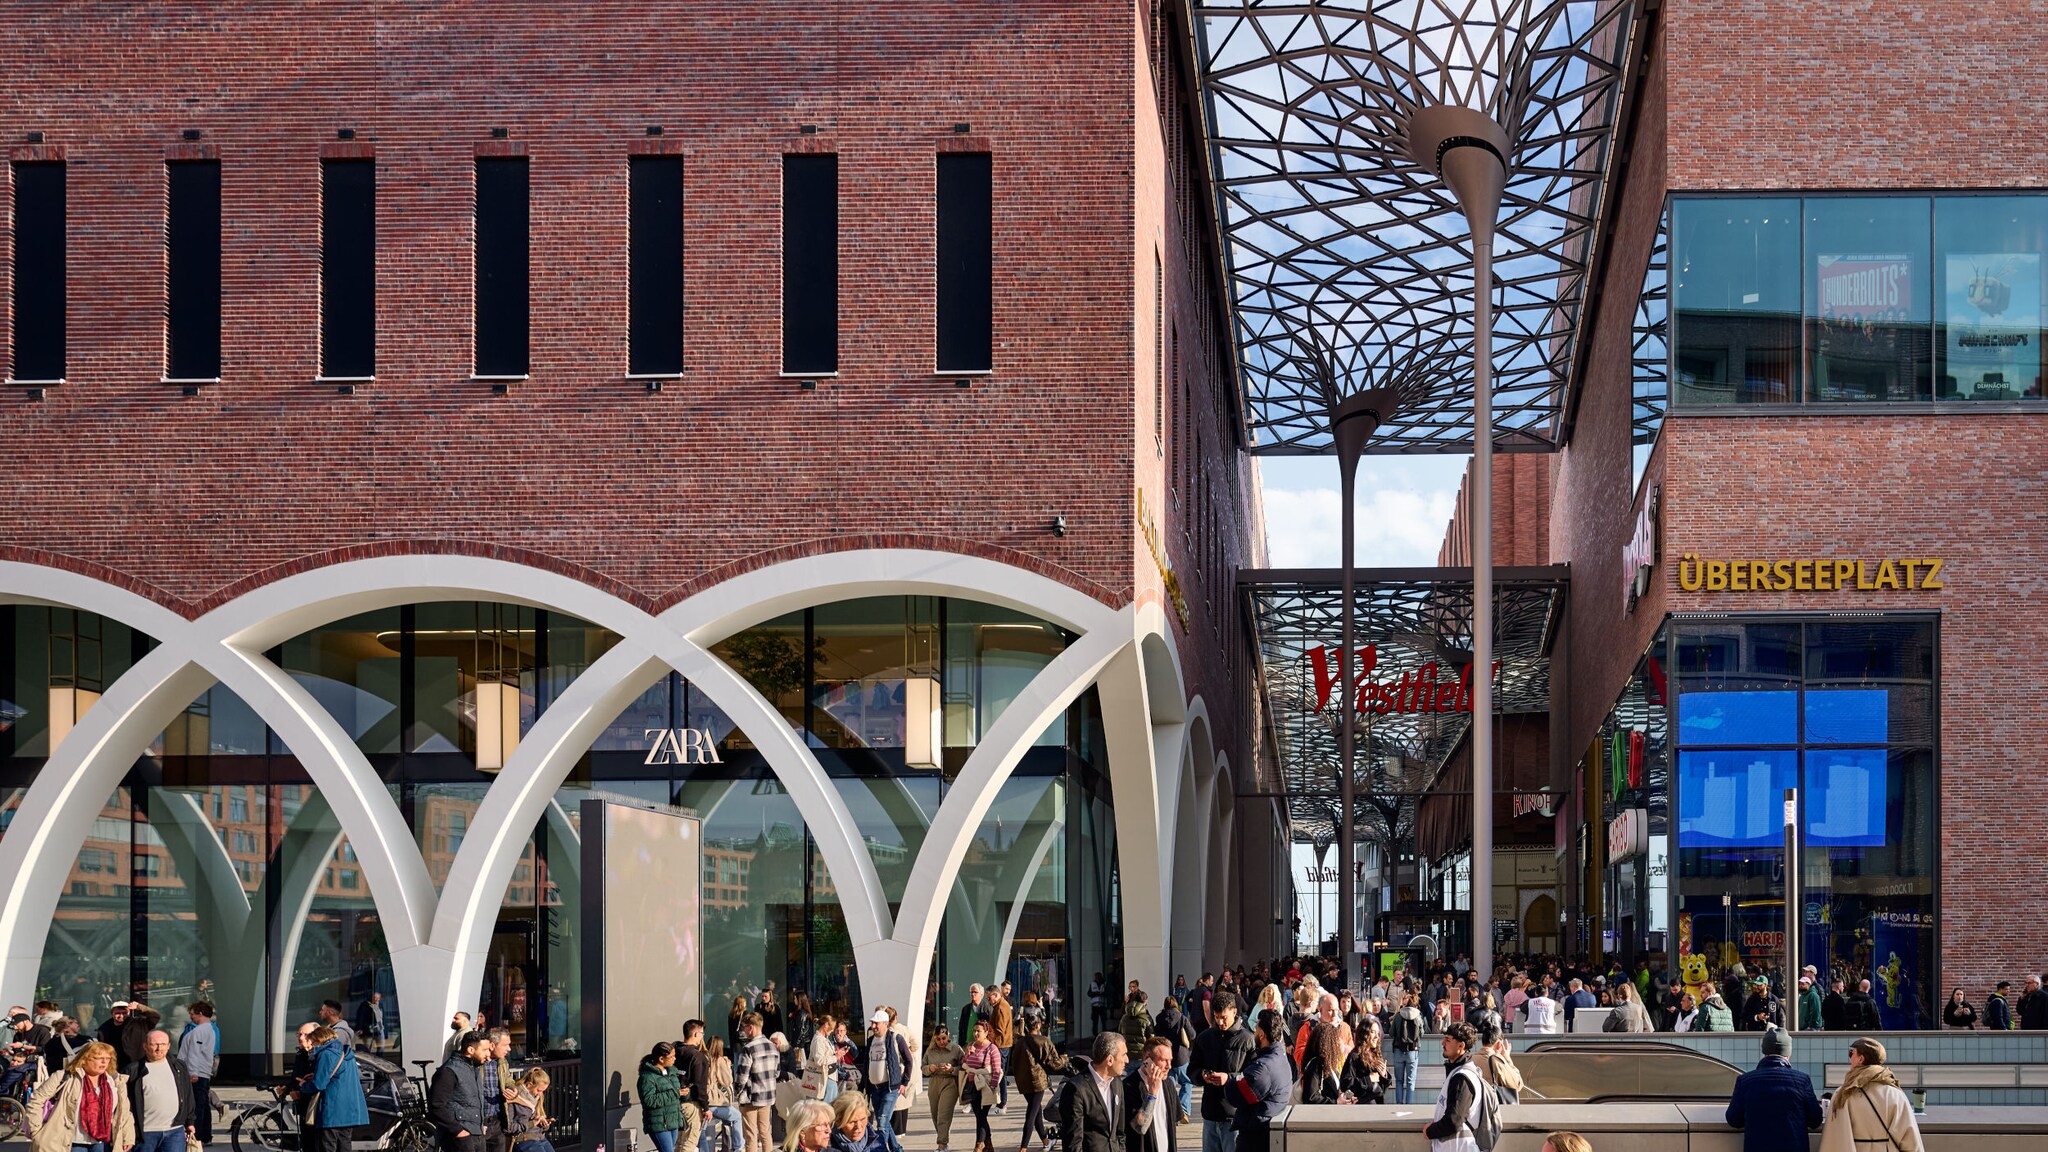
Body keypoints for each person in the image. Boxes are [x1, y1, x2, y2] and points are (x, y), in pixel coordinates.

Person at [27, 1041, 136, 1152]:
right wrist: (36, 1130)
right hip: (70, 1142)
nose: (104, 1062)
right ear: (84, 1059)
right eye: (98, 1058)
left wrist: (128, 1137)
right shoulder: (65, 1076)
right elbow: (35, 1100)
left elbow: (124, 1111)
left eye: (108, 1058)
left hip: (103, 1143)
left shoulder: (115, 1081)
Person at [1725, 1028, 1821, 1152]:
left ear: (1764, 1051)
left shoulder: (1745, 1081)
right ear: (1788, 1053)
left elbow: (1733, 1119)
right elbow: (1815, 1120)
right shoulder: (1802, 1081)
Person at [1819, 1038, 1922, 1152]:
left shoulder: (1845, 1094)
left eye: (1851, 1053)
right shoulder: (1895, 1094)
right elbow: (1910, 1138)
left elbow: (1836, 1139)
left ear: (1861, 1059)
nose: (1850, 1058)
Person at [1188, 992, 1253, 1152]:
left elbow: (1254, 1078)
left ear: (1234, 1012)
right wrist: (1202, 1075)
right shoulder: (1204, 1037)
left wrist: (1229, 1078)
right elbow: (1192, 1069)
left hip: (1235, 1117)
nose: (1220, 1022)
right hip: (1210, 1114)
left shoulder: (1247, 1040)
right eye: (1216, 1017)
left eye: (1224, 1017)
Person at [120, 1030, 195, 1152]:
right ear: (145, 1046)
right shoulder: (132, 1070)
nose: (159, 1048)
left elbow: (188, 1095)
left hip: (174, 1131)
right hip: (145, 1133)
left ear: (169, 1046)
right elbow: (124, 1104)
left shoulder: (178, 1066)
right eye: (154, 1044)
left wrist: (190, 1121)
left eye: (163, 1044)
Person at [1226, 1012, 1289, 1152]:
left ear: (1262, 1034)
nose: (1253, 1031)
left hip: (1256, 1136)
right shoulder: (1280, 1057)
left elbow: (1234, 1096)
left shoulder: (1263, 1068)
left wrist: (1234, 1079)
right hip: (1265, 1127)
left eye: (1256, 1028)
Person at [303, 1024, 370, 1152]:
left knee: (327, 1146)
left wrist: (304, 1086)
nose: (313, 1046)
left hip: (332, 1111)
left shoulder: (326, 1054)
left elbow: (319, 1084)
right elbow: (339, 1075)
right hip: (349, 1110)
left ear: (320, 1040)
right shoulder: (346, 1053)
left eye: (314, 1042)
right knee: (344, 1145)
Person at [1422, 1022, 1484, 1152]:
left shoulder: (1462, 1078)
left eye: (1448, 1040)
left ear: (1461, 1046)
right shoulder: (1460, 1072)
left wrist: (1430, 1131)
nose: (1442, 1043)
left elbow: (1454, 1120)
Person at [1059, 1032, 1127, 1152]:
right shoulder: (1076, 1089)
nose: (1127, 1060)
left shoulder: (1117, 1083)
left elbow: (1120, 1133)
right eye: (1124, 1055)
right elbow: (1073, 1143)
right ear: (1110, 1060)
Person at [860, 1011, 910, 1152]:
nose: (873, 1026)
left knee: (881, 1123)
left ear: (885, 1024)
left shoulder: (895, 1038)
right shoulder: (870, 1041)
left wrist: (904, 1082)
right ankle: (896, 1149)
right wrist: (863, 1086)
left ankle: (880, 1150)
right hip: (874, 1088)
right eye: (872, 1023)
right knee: (884, 1121)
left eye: (876, 1023)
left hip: (889, 1088)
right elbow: (866, 1064)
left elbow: (909, 1060)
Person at [1123, 1037, 1184, 1152]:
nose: (1169, 1066)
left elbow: (1174, 1119)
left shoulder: (1168, 1084)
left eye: (1170, 1060)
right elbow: (1138, 1127)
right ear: (1147, 1059)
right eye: (1164, 1060)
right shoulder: (1129, 1086)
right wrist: (1152, 1093)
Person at [1011, 1015, 1061, 1152]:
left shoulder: (1020, 1042)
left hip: (1024, 1081)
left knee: (1036, 1111)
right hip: (1037, 1080)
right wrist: (1065, 1059)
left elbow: (1013, 1062)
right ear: (1038, 1025)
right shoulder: (1044, 1041)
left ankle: (1045, 1141)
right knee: (1032, 1114)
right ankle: (1023, 1147)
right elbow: (1055, 1063)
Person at [176, 1003, 218, 1148]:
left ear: (200, 1013)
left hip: (197, 1073)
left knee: (197, 1106)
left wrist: (192, 1073)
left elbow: (194, 1053)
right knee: (203, 1104)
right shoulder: (210, 1030)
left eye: (192, 1013)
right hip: (202, 1072)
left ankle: (198, 1135)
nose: (190, 1016)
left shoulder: (199, 1031)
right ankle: (205, 1135)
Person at [736, 1015, 780, 1152]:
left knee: (751, 1135)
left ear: (751, 1027)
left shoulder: (748, 1048)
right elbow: (777, 1073)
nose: (743, 1030)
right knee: (765, 1133)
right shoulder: (773, 1046)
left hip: (751, 1096)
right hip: (767, 1096)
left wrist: (737, 1092)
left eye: (744, 1027)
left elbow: (741, 1077)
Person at [957, 1020, 1001, 1152]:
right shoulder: (971, 1045)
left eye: (979, 1031)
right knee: (979, 1116)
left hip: (986, 1087)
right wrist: (967, 1054)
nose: (976, 1033)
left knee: (982, 1116)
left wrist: (993, 1085)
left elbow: (997, 1069)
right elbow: (963, 1064)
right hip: (972, 1086)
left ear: (986, 1033)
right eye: (974, 1031)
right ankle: (988, 1143)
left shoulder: (992, 1048)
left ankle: (979, 1144)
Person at [637, 1043, 687, 1152]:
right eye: (671, 1056)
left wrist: (683, 1093)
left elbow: (676, 1095)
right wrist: (675, 1093)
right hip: (659, 1124)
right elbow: (649, 1100)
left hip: (673, 1120)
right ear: (661, 1059)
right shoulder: (647, 1077)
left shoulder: (672, 1072)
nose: (675, 1059)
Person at [1151, 996, 1192, 1120]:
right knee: (1187, 1082)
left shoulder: (1159, 1018)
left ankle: (1172, 1111)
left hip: (1165, 1057)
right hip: (1181, 1057)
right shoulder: (1182, 1018)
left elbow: (1156, 1034)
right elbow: (1192, 1034)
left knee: (1169, 1085)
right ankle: (1183, 1110)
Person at [924, 1027, 962, 1152]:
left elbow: (965, 1067)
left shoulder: (956, 1049)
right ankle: (944, 1136)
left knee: (943, 1115)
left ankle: (942, 1144)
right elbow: (923, 1067)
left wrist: (952, 1069)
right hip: (934, 1082)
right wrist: (930, 1068)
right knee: (935, 1114)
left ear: (948, 1036)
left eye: (944, 1038)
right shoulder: (930, 1050)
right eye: (938, 1039)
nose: (941, 1042)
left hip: (950, 1082)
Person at [703, 1038, 744, 1152]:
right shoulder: (719, 1060)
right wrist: (727, 1066)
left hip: (703, 1099)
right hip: (714, 1101)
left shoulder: (703, 1058)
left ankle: (727, 1147)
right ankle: (738, 1147)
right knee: (736, 1116)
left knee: (727, 1118)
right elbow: (727, 1081)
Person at [1469, 1021, 1522, 1105]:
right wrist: (1507, 1058)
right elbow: (1518, 1084)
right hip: (1492, 1109)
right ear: (1499, 1044)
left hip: (1474, 1108)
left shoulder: (1470, 1059)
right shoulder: (1497, 1061)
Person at [1295, 1023, 1348, 1105]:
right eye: (1335, 1039)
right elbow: (1311, 1097)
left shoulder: (1329, 1063)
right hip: (1321, 1115)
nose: (1338, 1042)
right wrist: (1335, 1102)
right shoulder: (1315, 1065)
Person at [1338, 1018, 1387, 1105]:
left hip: (1376, 1106)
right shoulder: (1354, 1056)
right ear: (1364, 1034)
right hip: (1362, 1108)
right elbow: (1346, 1084)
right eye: (1372, 1032)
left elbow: (1381, 1089)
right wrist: (1368, 1079)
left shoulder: (1375, 1054)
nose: (1377, 1036)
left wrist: (1383, 1075)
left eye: (1377, 1033)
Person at [1387, 992, 1426, 1102]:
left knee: (1399, 1081)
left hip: (1399, 1050)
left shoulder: (1398, 1016)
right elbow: (1422, 1034)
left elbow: (1391, 1033)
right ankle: (1409, 1106)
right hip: (1413, 1052)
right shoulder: (1418, 1016)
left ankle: (1399, 1104)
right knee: (1410, 1081)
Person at [507, 1067, 554, 1152]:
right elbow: (509, 1127)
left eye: (543, 1091)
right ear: (529, 1085)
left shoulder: (536, 1097)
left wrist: (543, 1124)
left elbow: (536, 1122)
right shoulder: (513, 1096)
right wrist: (532, 1123)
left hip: (539, 1136)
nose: (540, 1094)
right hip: (523, 1139)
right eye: (539, 1090)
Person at [985, 990, 1013, 1116]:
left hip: (1001, 1045)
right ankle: (1001, 1103)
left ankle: (1002, 1104)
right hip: (1002, 1044)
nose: (988, 1000)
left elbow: (1000, 1030)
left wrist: (989, 1036)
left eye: (989, 997)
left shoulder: (1001, 1007)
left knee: (999, 1073)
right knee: (999, 1073)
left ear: (996, 995)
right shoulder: (1000, 1005)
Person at [1118, 992, 1152, 1059]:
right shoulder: (1146, 1018)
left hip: (1127, 1055)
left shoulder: (1124, 1017)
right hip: (1141, 1055)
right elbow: (1151, 1038)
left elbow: (1120, 1034)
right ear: (1145, 1001)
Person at [958, 986, 989, 1051]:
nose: (973, 994)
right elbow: (961, 1027)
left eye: (975, 992)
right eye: (971, 992)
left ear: (982, 994)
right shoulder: (966, 1009)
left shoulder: (987, 1008)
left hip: (981, 1045)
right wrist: (961, 1043)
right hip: (967, 1044)